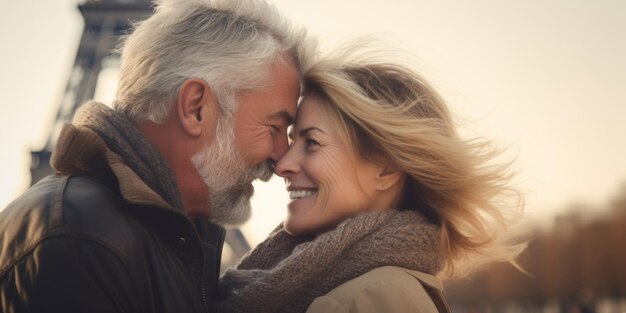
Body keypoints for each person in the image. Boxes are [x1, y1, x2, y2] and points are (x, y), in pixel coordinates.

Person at [0, 0, 312, 312]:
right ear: (196, 108)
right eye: (274, 126)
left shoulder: (176, 239)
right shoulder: (77, 242)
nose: (281, 157)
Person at [215, 48, 525, 313]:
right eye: (292, 140)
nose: (282, 163)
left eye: (311, 143)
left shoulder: (373, 299)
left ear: (386, 169)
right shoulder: (357, 288)